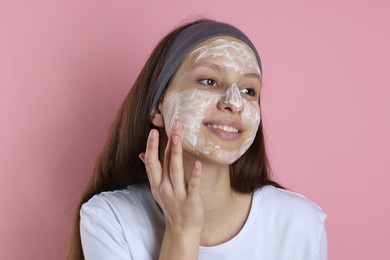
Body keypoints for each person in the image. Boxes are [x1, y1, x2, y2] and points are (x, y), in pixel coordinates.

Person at [67, 19, 327, 260]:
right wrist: (182, 230)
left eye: (249, 90)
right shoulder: (111, 219)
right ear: (158, 107)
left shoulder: (300, 224)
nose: (234, 103)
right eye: (209, 81)